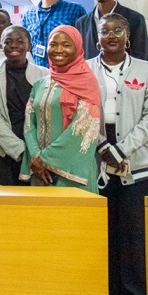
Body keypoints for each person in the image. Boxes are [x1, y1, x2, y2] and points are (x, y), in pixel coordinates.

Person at [91, 12, 148, 295]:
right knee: (103, 229)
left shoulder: (146, 71)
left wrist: (121, 151)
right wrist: (102, 147)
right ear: (97, 37)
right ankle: (107, 291)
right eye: (105, 31)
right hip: (96, 162)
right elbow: (79, 114)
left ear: (128, 37)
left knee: (133, 230)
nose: (111, 35)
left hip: (138, 164)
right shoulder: (85, 70)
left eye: (117, 30)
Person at [21, 25, 101, 191]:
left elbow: (84, 128)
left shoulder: (87, 82)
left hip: (72, 174)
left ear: (78, 48)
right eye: (53, 44)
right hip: (39, 172)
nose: (58, 50)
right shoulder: (39, 84)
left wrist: (45, 161)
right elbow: (30, 124)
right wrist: (36, 157)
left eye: (66, 45)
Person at [0, 25, 47, 186]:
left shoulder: (45, 75)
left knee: (35, 206)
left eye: (19, 41)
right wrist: (23, 151)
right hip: (1, 154)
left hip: (40, 156)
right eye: (8, 41)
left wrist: (36, 153)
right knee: (5, 207)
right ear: (1, 45)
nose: (14, 45)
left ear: (29, 45)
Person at [75, 0, 148, 62]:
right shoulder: (82, 23)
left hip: (125, 75)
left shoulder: (135, 19)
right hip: (91, 75)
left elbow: (141, 58)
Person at [21, 0, 88, 67]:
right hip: (35, 77)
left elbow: (84, 46)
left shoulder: (75, 10)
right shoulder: (28, 16)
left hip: (66, 75)